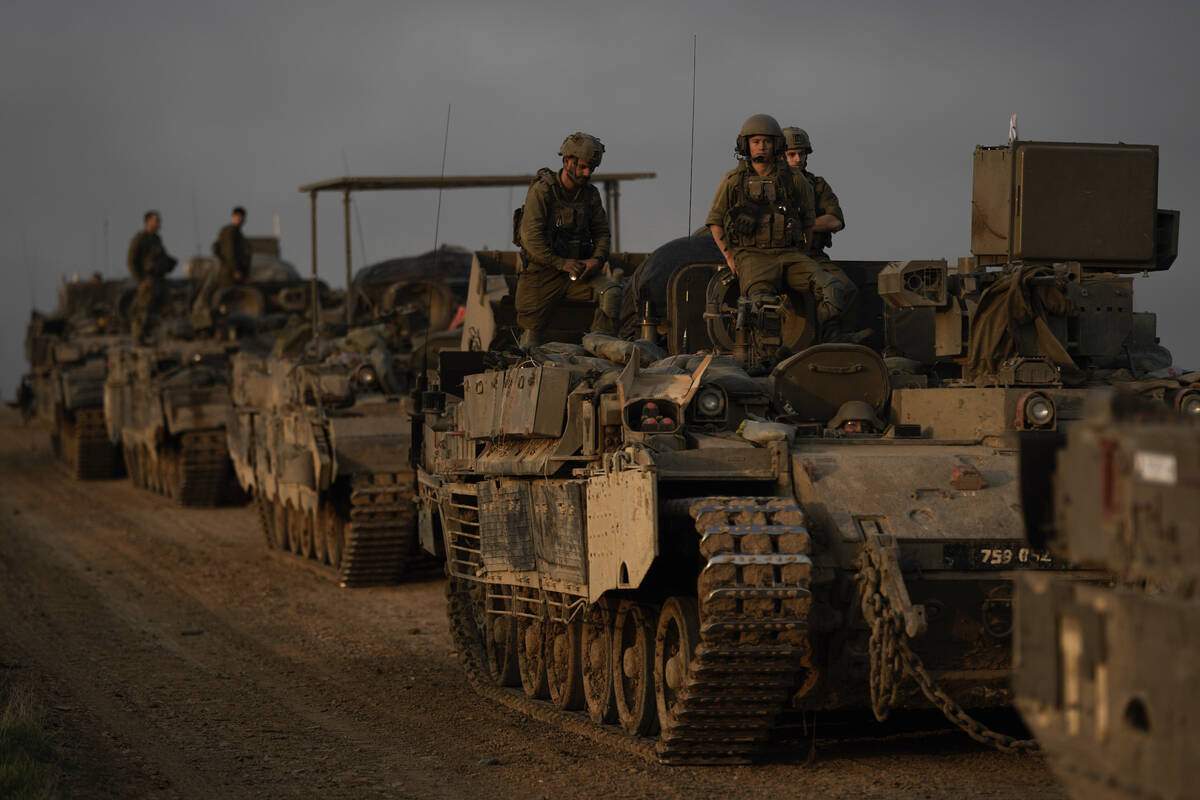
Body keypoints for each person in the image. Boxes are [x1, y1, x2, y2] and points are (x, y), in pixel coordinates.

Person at [706, 114, 854, 342]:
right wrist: (730, 256)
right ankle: (768, 354)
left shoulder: (796, 180)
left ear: (775, 144)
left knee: (833, 287)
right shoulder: (734, 180)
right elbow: (715, 221)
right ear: (746, 144)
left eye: (767, 141)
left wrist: (800, 249)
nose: (762, 147)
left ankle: (823, 339)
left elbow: (811, 219)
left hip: (791, 254)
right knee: (762, 307)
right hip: (754, 256)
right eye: (756, 142)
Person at [514, 132, 620, 348]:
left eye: (591, 168)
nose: (587, 173)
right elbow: (531, 240)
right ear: (567, 162)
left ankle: (599, 349)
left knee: (612, 293)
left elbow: (602, 233)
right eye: (582, 167)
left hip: (580, 271)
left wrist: (596, 261)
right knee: (530, 336)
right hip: (542, 272)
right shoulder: (542, 192)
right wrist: (560, 263)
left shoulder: (590, 195)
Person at [782, 126, 859, 326]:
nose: (798, 159)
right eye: (792, 154)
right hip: (779, 256)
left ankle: (831, 336)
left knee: (845, 288)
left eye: (802, 154)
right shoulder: (769, 185)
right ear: (781, 156)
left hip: (813, 255)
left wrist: (802, 226)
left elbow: (835, 220)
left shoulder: (818, 185)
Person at [193, 206, 252, 326]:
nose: (240, 220)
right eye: (238, 217)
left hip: (231, 272)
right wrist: (235, 270)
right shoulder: (230, 231)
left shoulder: (236, 233)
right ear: (234, 217)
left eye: (242, 217)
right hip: (229, 274)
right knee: (226, 302)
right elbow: (229, 253)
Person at [125, 210, 177, 341]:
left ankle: (164, 337)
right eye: (156, 220)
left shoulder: (156, 239)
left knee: (166, 309)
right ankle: (138, 339)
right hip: (148, 281)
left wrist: (169, 263)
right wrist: (141, 280)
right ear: (148, 222)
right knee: (143, 312)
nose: (159, 223)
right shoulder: (140, 239)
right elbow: (131, 261)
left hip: (160, 280)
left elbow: (162, 257)